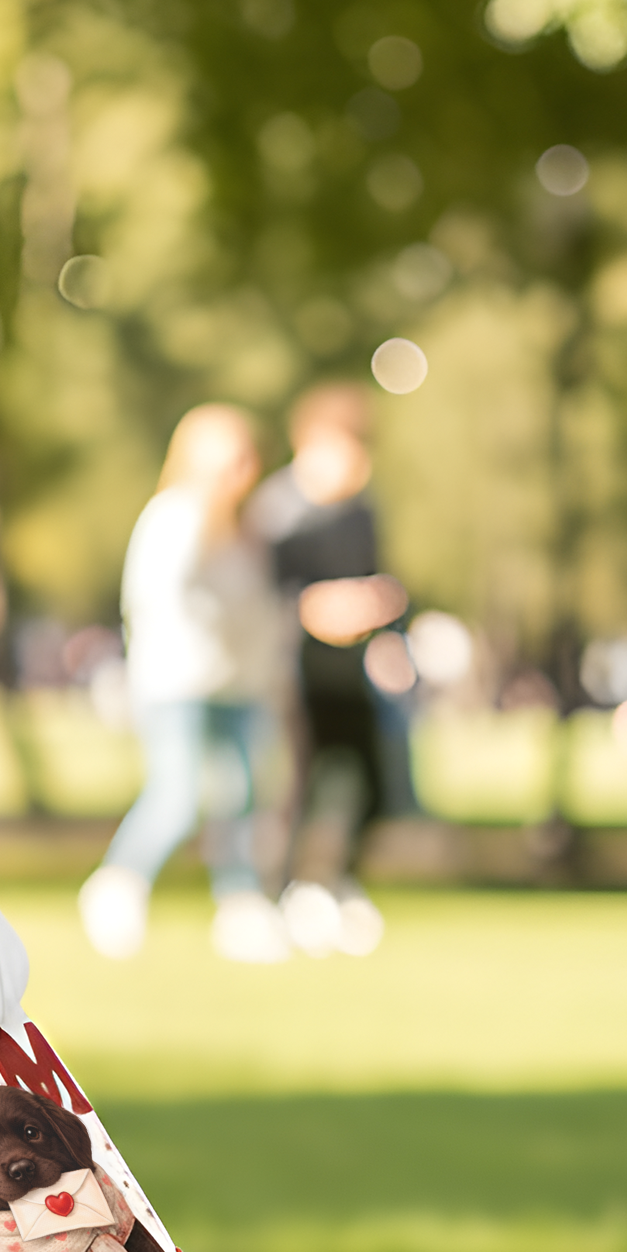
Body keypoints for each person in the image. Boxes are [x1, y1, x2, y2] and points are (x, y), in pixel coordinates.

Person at [80, 403, 294, 966]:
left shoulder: (250, 532)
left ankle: (242, 906)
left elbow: (263, 613)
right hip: (177, 683)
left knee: (244, 798)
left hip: (239, 686)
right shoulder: (173, 519)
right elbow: (160, 602)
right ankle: (117, 886)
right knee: (176, 799)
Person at [249, 384, 414, 958]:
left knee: (371, 784)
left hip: (349, 674)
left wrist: (384, 622)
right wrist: (313, 611)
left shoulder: (360, 512)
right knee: (293, 789)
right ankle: (278, 896)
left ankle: (333, 882)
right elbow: (263, 599)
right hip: (289, 673)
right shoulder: (277, 513)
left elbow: (383, 583)